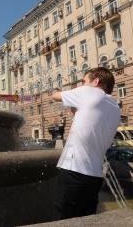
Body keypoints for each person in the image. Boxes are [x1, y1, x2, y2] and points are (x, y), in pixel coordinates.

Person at [51, 67, 120, 220]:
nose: (81, 84)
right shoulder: (115, 108)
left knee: (63, 219)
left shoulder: (89, 92)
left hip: (73, 171)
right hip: (94, 176)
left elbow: (55, 96)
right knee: (86, 220)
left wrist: (55, 89)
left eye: (84, 81)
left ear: (96, 82)